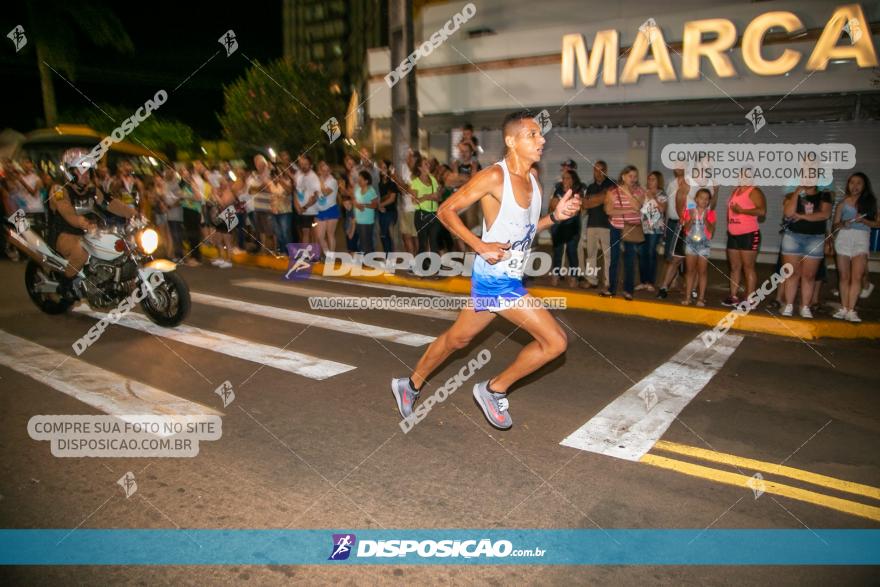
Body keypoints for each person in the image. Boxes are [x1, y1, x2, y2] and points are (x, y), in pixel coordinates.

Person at [391, 111, 580, 430]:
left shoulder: (533, 180)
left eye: (540, 134)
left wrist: (555, 218)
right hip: (496, 279)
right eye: (532, 134)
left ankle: (408, 385)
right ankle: (494, 389)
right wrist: (479, 245)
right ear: (511, 141)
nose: (542, 139)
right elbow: (445, 210)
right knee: (555, 342)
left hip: (509, 276)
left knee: (457, 340)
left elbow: (527, 230)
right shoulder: (495, 177)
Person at [49, 148, 136, 294]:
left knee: (118, 244)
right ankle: (65, 284)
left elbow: (111, 203)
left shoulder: (92, 190)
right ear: (70, 171)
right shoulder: (59, 190)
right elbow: (67, 212)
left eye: (88, 170)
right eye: (82, 170)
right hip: (64, 234)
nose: (86, 174)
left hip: (89, 232)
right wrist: (84, 223)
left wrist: (133, 213)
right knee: (83, 250)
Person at [780, 183, 833, 318]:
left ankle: (805, 306)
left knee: (809, 276)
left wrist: (802, 216)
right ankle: (789, 305)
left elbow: (824, 214)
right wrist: (797, 192)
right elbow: (788, 213)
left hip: (815, 238)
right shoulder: (792, 194)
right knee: (791, 274)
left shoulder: (824, 195)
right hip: (793, 237)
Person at [832, 172, 878, 323]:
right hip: (844, 238)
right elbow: (835, 225)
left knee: (856, 276)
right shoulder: (842, 203)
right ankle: (844, 308)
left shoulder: (870, 203)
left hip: (861, 239)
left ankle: (852, 310)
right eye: (852, 183)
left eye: (859, 183)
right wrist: (843, 224)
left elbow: (877, 224)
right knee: (844, 276)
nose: (855, 186)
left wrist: (863, 220)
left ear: (864, 186)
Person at [723, 177, 766, 307]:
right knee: (735, 267)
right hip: (733, 234)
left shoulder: (755, 191)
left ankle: (750, 299)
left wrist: (742, 211)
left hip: (749, 234)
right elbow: (730, 211)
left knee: (748, 267)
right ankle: (733, 296)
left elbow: (762, 211)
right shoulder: (735, 191)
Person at [603, 165, 644, 300]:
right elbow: (609, 211)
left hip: (631, 228)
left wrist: (626, 191)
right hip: (616, 227)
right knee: (614, 259)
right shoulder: (612, 191)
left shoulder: (639, 191)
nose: (633, 179)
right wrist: (628, 211)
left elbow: (638, 206)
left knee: (630, 260)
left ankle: (628, 290)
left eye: (635, 176)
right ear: (623, 176)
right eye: (630, 176)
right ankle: (611, 289)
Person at [579, 160, 614, 290]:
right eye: (595, 170)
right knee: (591, 254)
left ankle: (608, 282)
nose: (598, 173)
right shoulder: (591, 187)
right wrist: (599, 199)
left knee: (607, 255)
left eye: (600, 170)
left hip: (607, 225)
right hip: (592, 224)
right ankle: (591, 280)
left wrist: (592, 200)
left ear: (605, 171)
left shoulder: (611, 185)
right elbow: (585, 204)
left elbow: (602, 199)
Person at [680, 188, 716, 307]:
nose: (704, 201)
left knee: (703, 271)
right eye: (701, 198)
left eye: (707, 199)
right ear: (696, 199)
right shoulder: (689, 211)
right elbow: (686, 229)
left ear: (709, 201)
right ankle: (688, 297)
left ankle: (701, 298)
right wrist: (690, 218)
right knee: (690, 271)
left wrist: (705, 220)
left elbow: (711, 231)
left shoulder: (711, 213)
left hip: (704, 245)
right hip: (691, 244)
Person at [549, 168, 584, 287]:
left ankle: (574, 277)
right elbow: (553, 205)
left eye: (567, 178)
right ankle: (556, 275)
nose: (564, 180)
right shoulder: (558, 189)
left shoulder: (578, 190)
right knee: (558, 251)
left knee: (571, 251)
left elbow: (575, 209)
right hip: (559, 225)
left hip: (572, 225)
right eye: (563, 178)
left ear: (573, 180)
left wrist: (561, 204)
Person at [408, 153, 442, 265]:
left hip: (434, 214)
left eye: (428, 164)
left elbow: (438, 197)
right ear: (420, 168)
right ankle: (421, 266)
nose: (428, 165)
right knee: (423, 243)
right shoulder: (415, 182)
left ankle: (436, 267)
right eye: (425, 164)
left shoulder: (433, 179)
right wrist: (428, 196)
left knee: (434, 242)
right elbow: (414, 200)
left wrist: (437, 196)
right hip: (421, 215)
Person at [637, 171, 667, 292]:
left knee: (651, 253)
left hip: (655, 228)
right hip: (642, 227)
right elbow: (638, 207)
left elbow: (662, 209)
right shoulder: (643, 192)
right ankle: (643, 281)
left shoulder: (661, 193)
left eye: (653, 179)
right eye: (649, 179)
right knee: (641, 253)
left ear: (658, 181)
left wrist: (652, 197)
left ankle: (650, 282)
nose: (650, 181)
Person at [295, 155, 321, 249]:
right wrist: (297, 206)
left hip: (312, 211)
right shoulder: (299, 175)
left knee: (313, 233)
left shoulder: (313, 177)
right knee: (304, 233)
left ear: (310, 165)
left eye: (306, 164)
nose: (303, 166)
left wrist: (304, 207)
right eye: (302, 164)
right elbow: (296, 192)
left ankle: (315, 255)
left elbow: (316, 196)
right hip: (301, 210)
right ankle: (306, 254)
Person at [315, 161, 340, 257]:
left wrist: (320, 180)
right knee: (319, 236)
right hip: (320, 211)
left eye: (327, 170)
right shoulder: (316, 181)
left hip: (331, 209)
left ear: (330, 171)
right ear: (319, 170)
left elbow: (325, 193)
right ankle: (327, 253)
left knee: (330, 234)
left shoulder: (332, 181)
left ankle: (331, 257)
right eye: (323, 170)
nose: (325, 172)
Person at [352, 170, 378, 253]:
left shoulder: (371, 190)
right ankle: (368, 261)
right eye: (358, 179)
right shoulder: (357, 190)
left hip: (367, 220)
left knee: (366, 243)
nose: (359, 181)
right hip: (359, 220)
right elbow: (355, 201)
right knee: (363, 242)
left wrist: (364, 205)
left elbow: (375, 205)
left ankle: (368, 262)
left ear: (366, 181)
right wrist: (356, 205)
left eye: (361, 179)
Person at [376, 159, 398, 253]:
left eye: (384, 167)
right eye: (381, 167)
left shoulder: (392, 182)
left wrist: (380, 205)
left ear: (388, 169)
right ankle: (387, 256)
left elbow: (392, 199)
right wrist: (379, 206)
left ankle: (392, 255)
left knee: (389, 233)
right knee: (383, 235)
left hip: (391, 212)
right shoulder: (379, 182)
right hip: (381, 212)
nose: (382, 169)